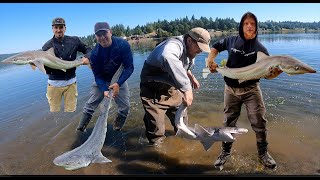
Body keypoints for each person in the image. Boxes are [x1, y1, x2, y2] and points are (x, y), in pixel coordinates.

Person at [207, 12, 279, 169]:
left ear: (256, 27)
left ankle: (263, 153)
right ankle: (225, 152)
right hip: (230, 90)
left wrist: (274, 74)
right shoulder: (231, 40)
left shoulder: (261, 49)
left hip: (251, 90)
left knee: (259, 121)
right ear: (241, 25)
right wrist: (210, 60)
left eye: (253, 24)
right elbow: (215, 47)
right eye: (246, 23)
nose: (249, 26)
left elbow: (267, 76)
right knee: (228, 122)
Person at [140, 27, 211, 146]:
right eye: (199, 47)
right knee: (156, 132)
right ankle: (157, 155)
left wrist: (191, 76)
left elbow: (182, 66)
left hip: (171, 88)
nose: (200, 51)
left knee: (182, 124)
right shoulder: (173, 45)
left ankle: (182, 147)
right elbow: (167, 57)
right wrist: (187, 88)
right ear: (189, 41)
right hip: (153, 91)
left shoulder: (190, 52)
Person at [76, 22, 134, 132]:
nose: (102, 38)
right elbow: (97, 76)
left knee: (125, 107)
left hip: (118, 80)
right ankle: (80, 129)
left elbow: (129, 67)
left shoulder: (122, 45)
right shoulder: (94, 54)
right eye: (99, 35)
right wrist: (104, 89)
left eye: (104, 33)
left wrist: (119, 83)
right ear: (95, 37)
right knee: (89, 106)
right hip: (102, 80)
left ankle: (117, 128)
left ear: (110, 32)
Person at [42, 17, 91, 112]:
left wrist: (87, 57)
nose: (58, 30)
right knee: (54, 114)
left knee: (71, 111)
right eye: (56, 28)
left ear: (65, 28)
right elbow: (46, 70)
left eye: (61, 27)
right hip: (54, 85)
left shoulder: (74, 40)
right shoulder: (47, 46)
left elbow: (88, 49)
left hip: (71, 84)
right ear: (52, 29)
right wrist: (37, 64)